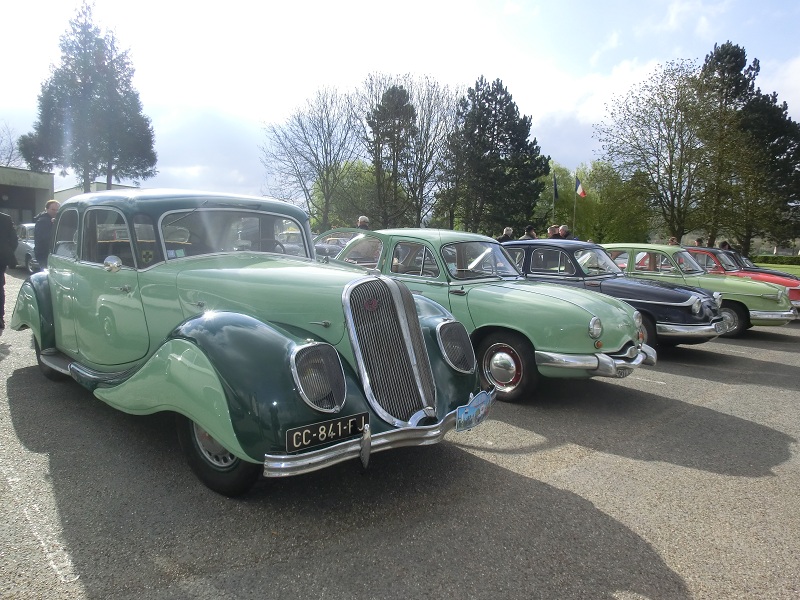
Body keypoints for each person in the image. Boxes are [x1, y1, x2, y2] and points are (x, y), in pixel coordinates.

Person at [0, 211, 18, 336]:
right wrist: (7, 252)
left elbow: (14, 240)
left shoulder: (5, 218)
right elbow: (14, 240)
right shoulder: (5, 218)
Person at [34, 200, 60, 269]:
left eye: (57, 210)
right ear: (47, 209)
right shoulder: (42, 221)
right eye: (53, 209)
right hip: (45, 254)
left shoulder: (57, 220)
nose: (55, 212)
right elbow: (44, 238)